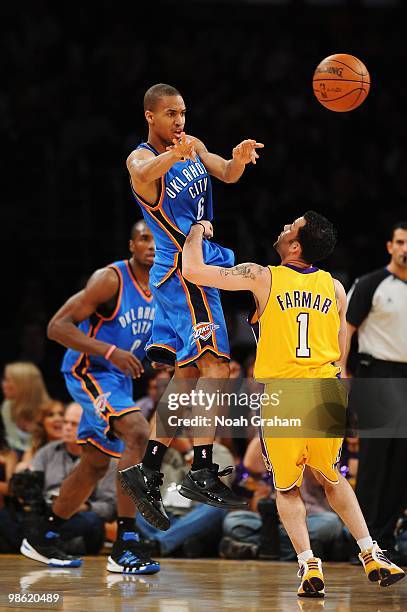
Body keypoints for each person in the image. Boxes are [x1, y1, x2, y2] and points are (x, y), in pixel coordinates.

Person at [181, 212, 405, 597]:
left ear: (295, 245)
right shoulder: (334, 287)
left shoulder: (261, 275)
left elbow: (194, 270)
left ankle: (308, 564)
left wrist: (197, 229)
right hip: (326, 389)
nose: (283, 228)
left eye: (291, 227)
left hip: (284, 393)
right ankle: (372, 551)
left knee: (286, 489)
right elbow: (341, 352)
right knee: (332, 477)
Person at [120, 83, 263, 527]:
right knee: (218, 366)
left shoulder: (193, 144)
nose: (179, 121)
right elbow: (144, 175)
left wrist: (237, 161)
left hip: (197, 269)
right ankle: (201, 467)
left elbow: (224, 172)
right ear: (150, 117)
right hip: (185, 272)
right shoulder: (141, 158)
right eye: (170, 114)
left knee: (187, 373)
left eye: (182, 112)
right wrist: (174, 156)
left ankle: (147, 470)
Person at [21, 221, 160, 574]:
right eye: (144, 238)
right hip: (89, 371)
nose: (152, 244)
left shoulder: (163, 284)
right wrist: (110, 351)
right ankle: (125, 544)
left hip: (120, 379)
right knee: (138, 432)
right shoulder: (110, 279)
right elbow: (57, 327)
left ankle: (44, 534)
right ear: (131, 245)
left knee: (96, 463)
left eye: (157, 238)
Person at [344, 221, 407, 557]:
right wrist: (341, 370)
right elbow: (347, 329)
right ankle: (365, 544)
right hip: (377, 373)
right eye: (400, 242)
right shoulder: (371, 284)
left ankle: (387, 539)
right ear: (390, 246)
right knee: (374, 461)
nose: (405, 249)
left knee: (401, 464)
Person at [16, 400, 65, 471]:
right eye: (50, 415)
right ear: (42, 422)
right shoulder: (32, 452)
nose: (58, 419)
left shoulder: (76, 449)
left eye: (61, 414)